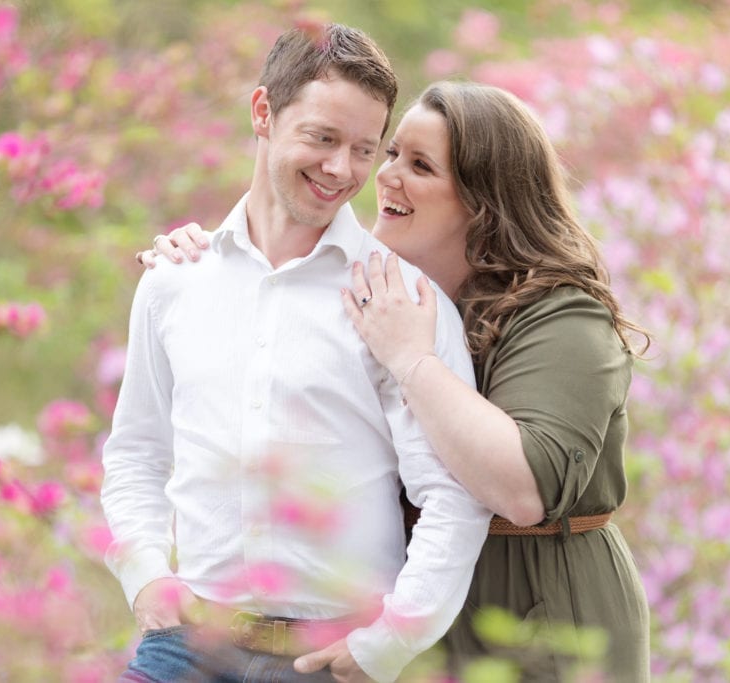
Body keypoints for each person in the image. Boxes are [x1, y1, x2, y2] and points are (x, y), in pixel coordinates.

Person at [140, 80, 652, 681]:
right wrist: (211, 258)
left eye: (421, 166)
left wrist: (412, 360)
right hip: (419, 606)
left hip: (540, 600)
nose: (385, 177)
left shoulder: (563, 315)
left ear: (484, 200)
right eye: (390, 155)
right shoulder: (395, 298)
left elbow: (522, 490)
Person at [102, 25, 492, 683]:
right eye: (322, 138)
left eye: (364, 149)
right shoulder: (175, 279)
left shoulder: (402, 301)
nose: (342, 169)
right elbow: (136, 451)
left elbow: (451, 495)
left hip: (328, 661)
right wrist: (143, 574)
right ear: (263, 112)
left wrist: (389, 643)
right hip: (185, 644)